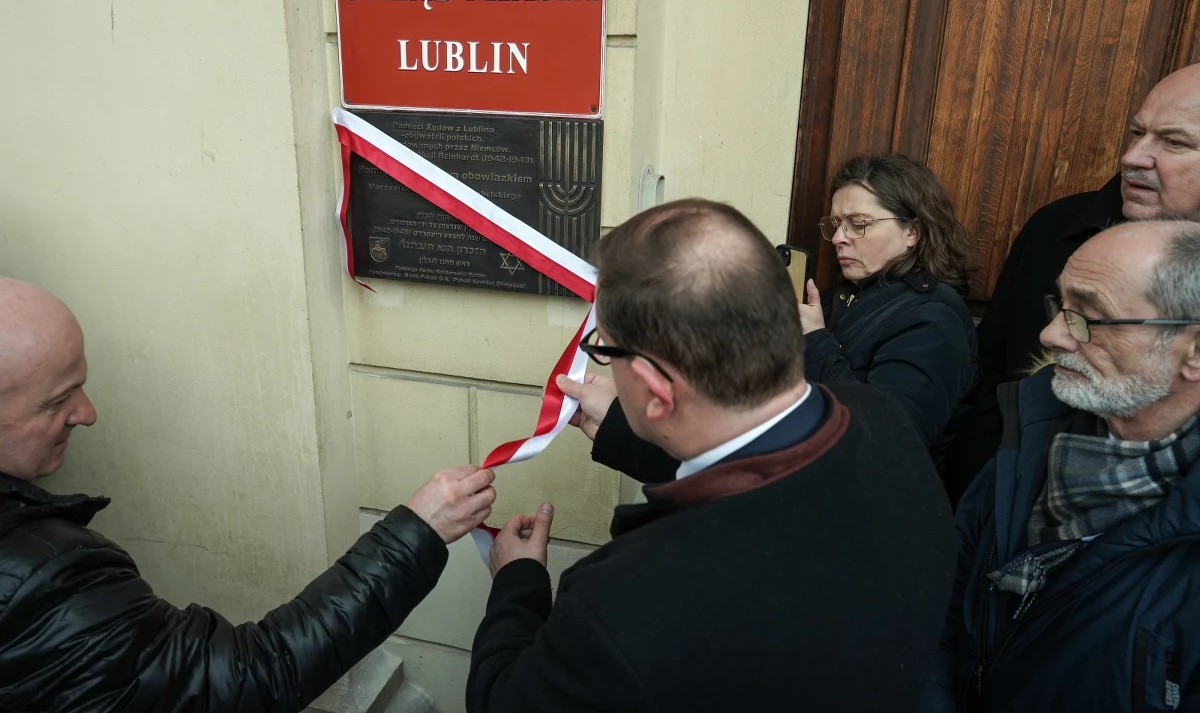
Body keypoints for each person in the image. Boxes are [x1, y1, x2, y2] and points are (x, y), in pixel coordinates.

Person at [465, 199, 956, 712]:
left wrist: (516, 584)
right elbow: (760, 482)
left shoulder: (625, 605)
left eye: (605, 349)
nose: (603, 361)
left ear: (657, 389)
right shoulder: (879, 416)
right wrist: (623, 427)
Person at [0, 277, 496, 711]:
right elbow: (246, 680)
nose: (88, 414)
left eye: (80, 386)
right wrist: (414, 533)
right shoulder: (43, 580)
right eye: (58, 400)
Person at [927, 220, 1200, 712]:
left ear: (1194, 350)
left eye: (1089, 318)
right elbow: (946, 614)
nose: (1051, 334)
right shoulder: (1033, 434)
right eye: (1060, 306)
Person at [952, 63, 1200, 500]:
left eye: (1174, 141)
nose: (1133, 157)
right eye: (1136, 132)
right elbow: (990, 377)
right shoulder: (1054, 228)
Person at [798, 154, 978, 484]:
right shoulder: (841, 296)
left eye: (859, 224)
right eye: (836, 224)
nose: (839, 238)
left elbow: (886, 441)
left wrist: (816, 340)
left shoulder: (933, 318)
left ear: (912, 231)